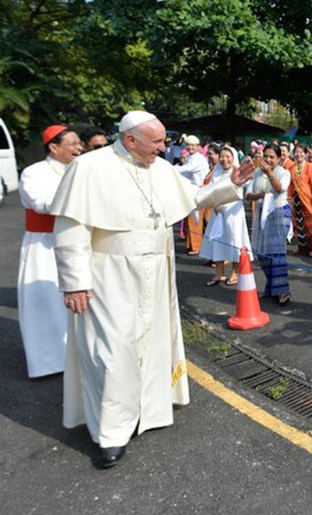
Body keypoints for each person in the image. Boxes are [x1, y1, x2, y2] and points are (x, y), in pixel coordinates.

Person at [49, 110, 252, 468]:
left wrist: (230, 184)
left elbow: (193, 197)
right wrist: (75, 282)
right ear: (130, 139)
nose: (164, 148)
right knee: (113, 351)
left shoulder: (158, 168)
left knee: (153, 340)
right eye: (157, 141)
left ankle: (148, 408)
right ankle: (111, 432)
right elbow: (71, 229)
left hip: (156, 270)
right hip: (109, 274)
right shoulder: (90, 168)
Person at [17, 125, 83, 378]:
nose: (79, 148)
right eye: (73, 143)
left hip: (77, 243)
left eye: (80, 143)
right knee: (45, 301)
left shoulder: (80, 170)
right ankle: (49, 362)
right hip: (44, 245)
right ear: (54, 148)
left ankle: (78, 355)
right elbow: (40, 202)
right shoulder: (34, 172)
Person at [245, 143, 292, 306]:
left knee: (277, 253)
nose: (268, 159)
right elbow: (248, 195)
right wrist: (260, 195)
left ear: (279, 159)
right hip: (261, 213)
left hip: (279, 213)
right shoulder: (257, 172)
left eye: (272, 157)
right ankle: (271, 285)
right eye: (266, 156)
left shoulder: (284, 173)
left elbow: (279, 189)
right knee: (262, 253)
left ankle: (282, 291)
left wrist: (270, 173)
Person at [199, 146, 252, 286]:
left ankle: (235, 272)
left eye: (228, 156)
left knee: (234, 240)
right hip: (217, 212)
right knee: (217, 240)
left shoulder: (237, 173)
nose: (224, 159)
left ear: (233, 158)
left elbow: (242, 190)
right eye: (222, 156)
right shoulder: (216, 174)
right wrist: (214, 203)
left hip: (233, 212)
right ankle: (219, 273)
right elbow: (210, 191)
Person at [175, 134, 208, 255]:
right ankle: (191, 244)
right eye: (188, 145)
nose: (190, 147)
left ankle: (196, 246)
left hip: (199, 191)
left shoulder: (198, 159)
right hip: (192, 190)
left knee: (196, 219)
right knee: (191, 219)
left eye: (193, 145)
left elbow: (188, 169)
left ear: (198, 147)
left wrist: (172, 169)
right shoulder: (191, 157)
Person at [287, 144, 312, 257]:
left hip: (308, 198)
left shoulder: (310, 166)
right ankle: (302, 247)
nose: (299, 154)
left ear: (305, 153)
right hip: (296, 199)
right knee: (299, 223)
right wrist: (289, 198)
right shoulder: (291, 168)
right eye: (297, 152)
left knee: (311, 223)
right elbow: (290, 184)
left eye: (301, 152)